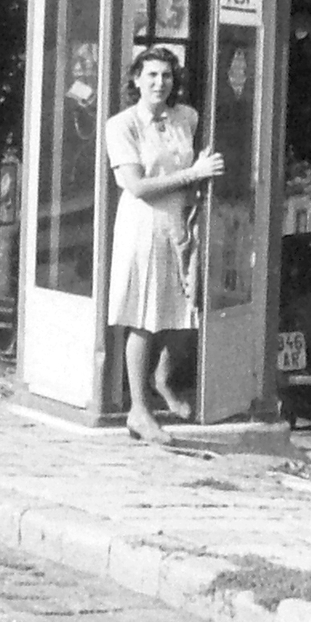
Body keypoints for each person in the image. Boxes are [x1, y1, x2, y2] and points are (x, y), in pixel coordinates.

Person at [105, 46, 224, 445]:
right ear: (136, 79)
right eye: (152, 75)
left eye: (167, 76)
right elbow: (137, 185)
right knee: (144, 316)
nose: (160, 83)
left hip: (180, 222)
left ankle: (164, 378)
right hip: (143, 225)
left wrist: (200, 182)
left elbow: (204, 163)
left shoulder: (185, 118)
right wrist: (193, 173)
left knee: (186, 312)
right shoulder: (122, 125)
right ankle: (140, 410)